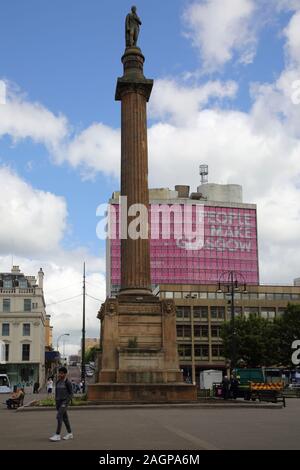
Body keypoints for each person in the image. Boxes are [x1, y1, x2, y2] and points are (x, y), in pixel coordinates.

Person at [49, 367, 73, 442]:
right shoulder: (58, 382)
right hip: (58, 403)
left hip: (64, 403)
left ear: (65, 374)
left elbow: (71, 394)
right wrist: (56, 401)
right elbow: (56, 393)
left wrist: (66, 402)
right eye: (59, 373)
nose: (60, 374)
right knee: (65, 418)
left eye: (62, 373)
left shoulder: (68, 383)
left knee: (59, 416)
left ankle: (57, 435)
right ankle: (70, 433)